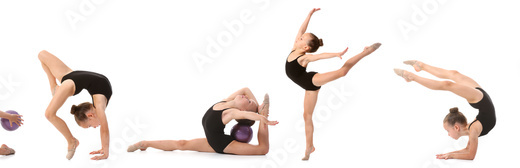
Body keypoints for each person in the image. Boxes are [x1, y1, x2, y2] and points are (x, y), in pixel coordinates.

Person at [283, 8, 381, 160]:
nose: (299, 37)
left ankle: (365, 52)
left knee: (342, 72)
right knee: (306, 116)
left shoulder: (304, 57)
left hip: (310, 80)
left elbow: (320, 56)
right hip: (307, 86)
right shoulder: (296, 47)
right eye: (300, 37)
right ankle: (310, 146)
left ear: (306, 48)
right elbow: (302, 29)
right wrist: (309, 15)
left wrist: (336, 54)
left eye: (302, 39)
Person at [394, 60, 495, 160]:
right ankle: (412, 76)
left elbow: (468, 150)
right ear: (456, 127)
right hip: (480, 99)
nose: (448, 134)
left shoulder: (472, 130)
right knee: (448, 84)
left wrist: (449, 154)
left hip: (482, 98)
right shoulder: (473, 131)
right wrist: (451, 155)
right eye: (448, 130)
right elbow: (470, 155)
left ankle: (421, 65)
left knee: (454, 74)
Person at [128, 88, 276, 155]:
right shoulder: (226, 101)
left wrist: (261, 116)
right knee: (181, 144)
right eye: (249, 99)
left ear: (242, 113)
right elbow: (246, 89)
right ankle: (145, 143)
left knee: (262, 150)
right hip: (213, 140)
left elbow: (249, 116)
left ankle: (263, 118)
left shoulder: (230, 113)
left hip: (223, 145)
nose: (246, 97)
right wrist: (256, 106)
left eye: (248, 102)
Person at [38, 50, 113, 160]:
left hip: (72, 77)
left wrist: (103, 146)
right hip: (71, 78)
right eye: (90, 126)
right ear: (90, 116)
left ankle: (55, 89)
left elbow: (104, 130)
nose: (95, 127)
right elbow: (105, 129)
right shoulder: (99, 106)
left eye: (90, 126)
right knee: (49, 114)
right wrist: (105, 152)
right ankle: (71, 140)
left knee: (42, 55)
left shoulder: (98, 103)